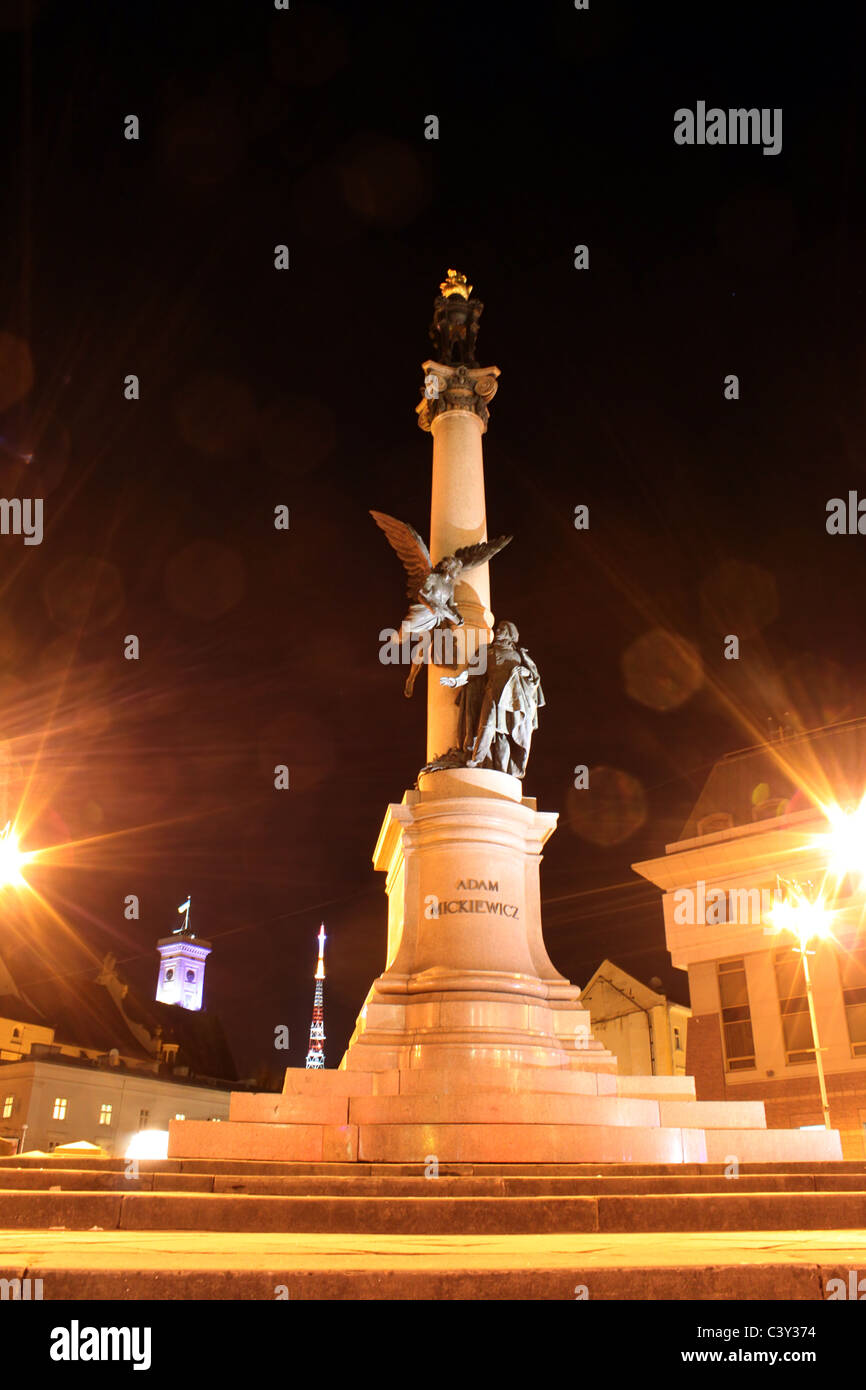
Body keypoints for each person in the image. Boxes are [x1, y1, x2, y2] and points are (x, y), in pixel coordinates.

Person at [440, 620, 544, 777]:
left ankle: (502, 772)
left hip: (512, 700)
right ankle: (477, 759)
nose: (498, 631)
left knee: (503, 735)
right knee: (486, 726)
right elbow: (473, 672)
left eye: (502, 629)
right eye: (498, 629)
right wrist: (456, 681)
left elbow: (534, 678)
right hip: (492, 694)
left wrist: (527, 673)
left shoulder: (519, 654)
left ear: (510, 633)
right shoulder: (488, 652)